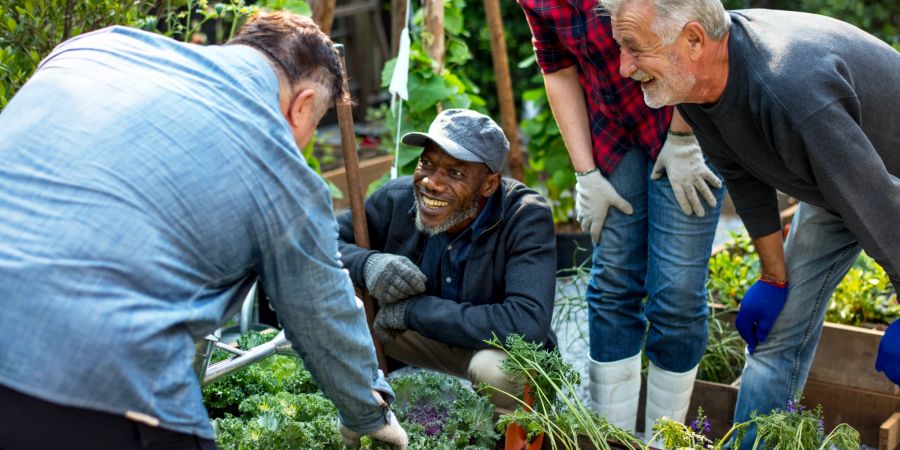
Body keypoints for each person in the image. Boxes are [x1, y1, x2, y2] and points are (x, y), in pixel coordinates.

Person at [0, 12, 407, 450]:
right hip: (95, 386)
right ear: (303, 104)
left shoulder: (97, 47)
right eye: (314, 125)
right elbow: (321, 310)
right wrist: (369, 413)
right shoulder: (279, 168)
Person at [601, 0, 900, 445]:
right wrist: (773, 278)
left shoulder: (791, 89)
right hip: (835, 178)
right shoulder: (699, 82)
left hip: (880, 180)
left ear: (694, 39)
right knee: (777, 336)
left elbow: (881, 205)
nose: (624, 67)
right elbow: (742, 173)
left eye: (634, 49)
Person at [515, 0, 725, 437]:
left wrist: (684, 138)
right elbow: (558, 70)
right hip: (613, 133)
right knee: (612, 286)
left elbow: (699, 32)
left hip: (686, 115)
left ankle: (667, 441)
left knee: (678, 296)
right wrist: (585, 172)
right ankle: (615, 438)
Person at [336, 108, 557, 411]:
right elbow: (319, 241)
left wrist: (413, 311)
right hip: (417, 339)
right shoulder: (396, 199)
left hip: (491, 348)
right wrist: (367, 263)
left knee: (501, 374)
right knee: (337, 303)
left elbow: (527, 324)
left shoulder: (525, 217)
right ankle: (363, 416)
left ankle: (505, 437)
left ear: (489, 185)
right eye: (426, 163)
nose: (431, 183)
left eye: (455, 173)